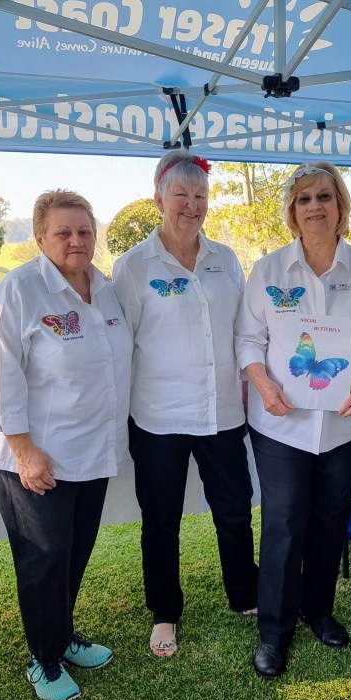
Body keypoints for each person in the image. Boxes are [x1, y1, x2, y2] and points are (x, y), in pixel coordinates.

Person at [0, 189, 132, 700]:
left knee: (74, 553)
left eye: (84, 231)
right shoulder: (15, 294)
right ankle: (42, 657)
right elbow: (0, 380)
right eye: (63, 232)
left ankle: (62, 636)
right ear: (40, 238)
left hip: (91, 451)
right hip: (35, 457)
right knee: (43, 560)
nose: (76, 240)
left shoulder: (105, 289)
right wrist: (24, 450)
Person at [236, 162, 351, 678]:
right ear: (292, 212)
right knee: (283, 521)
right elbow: (249, 339)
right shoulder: (268, 271)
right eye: (304, 199)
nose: (315, 206)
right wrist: (263, 384)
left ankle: (318, 611)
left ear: (341, 205)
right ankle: (273, 631)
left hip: (346, 425)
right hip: (281, 423)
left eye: (325, 196)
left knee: (329, 520)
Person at [112, 150, 258, 658]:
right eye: (181, 195)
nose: (192, 205)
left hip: (222, 412)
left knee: (235, 511)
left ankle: (245, 593)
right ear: (159, 199)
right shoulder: (133, 267)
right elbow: (120, 344)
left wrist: (250, 382)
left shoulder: (225, 259)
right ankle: (165, 611)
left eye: (200, 195)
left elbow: (244, 328)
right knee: (162, 520)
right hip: (158, 417)